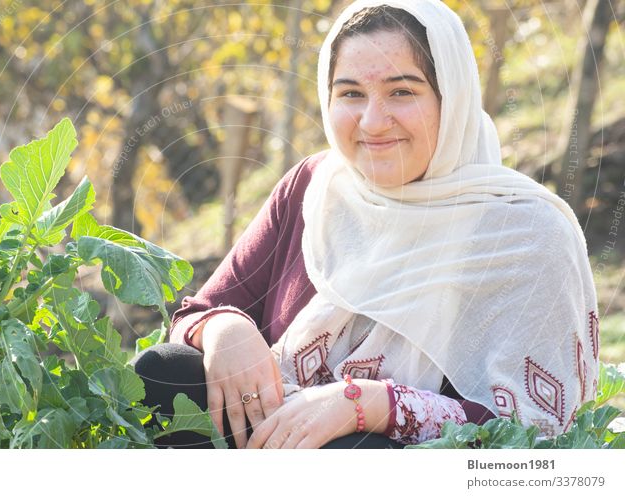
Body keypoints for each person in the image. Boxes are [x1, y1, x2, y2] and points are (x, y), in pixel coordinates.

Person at [132, 0, 599, 449]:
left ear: (451, 98)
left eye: (402, 91)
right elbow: (197, 312)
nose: (373, 122)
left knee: (354, 451)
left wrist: (370, 405)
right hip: (274, 438)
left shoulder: (524, 234)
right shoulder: (314, 188)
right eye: (351, 93)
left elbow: (532, 433)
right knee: (162, 371)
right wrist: (224, 329)